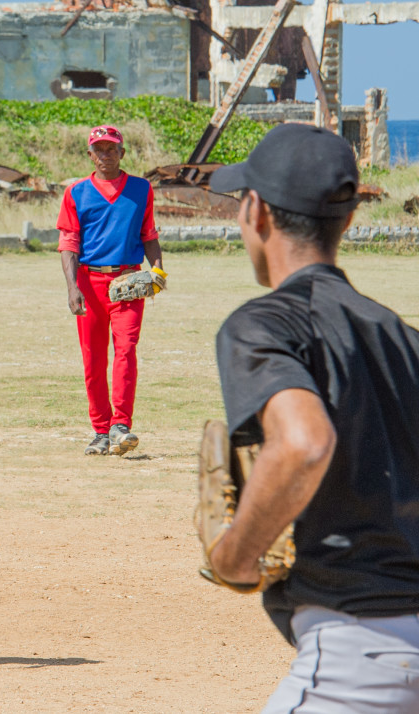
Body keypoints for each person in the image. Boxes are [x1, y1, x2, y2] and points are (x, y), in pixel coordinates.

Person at [207, 123, 419, 712]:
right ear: (347, 220)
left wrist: (233, 557)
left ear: (255, 212)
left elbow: (302, 444)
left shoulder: (266, 324)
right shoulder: (402, 337)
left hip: (360, 654)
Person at [57, 125, 164, 456]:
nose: (105, 154)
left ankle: (120, 424)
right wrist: (73, 287)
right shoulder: (76, 192)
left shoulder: (141, 189)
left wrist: (157, 269)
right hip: (89, 282)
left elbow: (148, 234)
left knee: (126, 349)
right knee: (92, 359)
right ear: (90, 155)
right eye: (99, 149)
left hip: (127, 283)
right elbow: (69, 243)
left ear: (123, 153)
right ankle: (100, 430)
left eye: (111, 148)